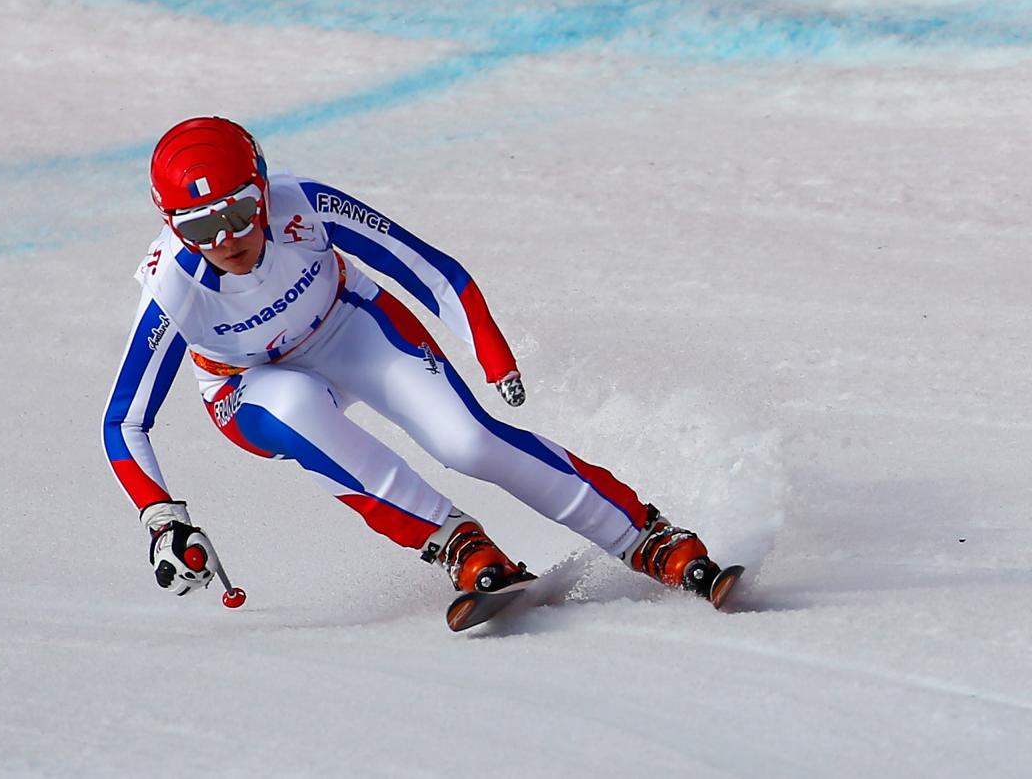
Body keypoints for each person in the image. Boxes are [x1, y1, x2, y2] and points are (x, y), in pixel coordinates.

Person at [102, 116, 737, 610]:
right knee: (296, 408)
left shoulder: (306, 206)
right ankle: (454, 543)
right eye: (199, 227)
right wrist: (164, 519)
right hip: (250, 385)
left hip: (348, 323)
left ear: (263, 189)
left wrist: (488, 348)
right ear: (170, 227)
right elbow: (124, 423)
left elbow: (433, 270)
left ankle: (645, 538)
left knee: (469, 442)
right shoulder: (173, 289)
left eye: (240, 211)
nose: (227, 241)